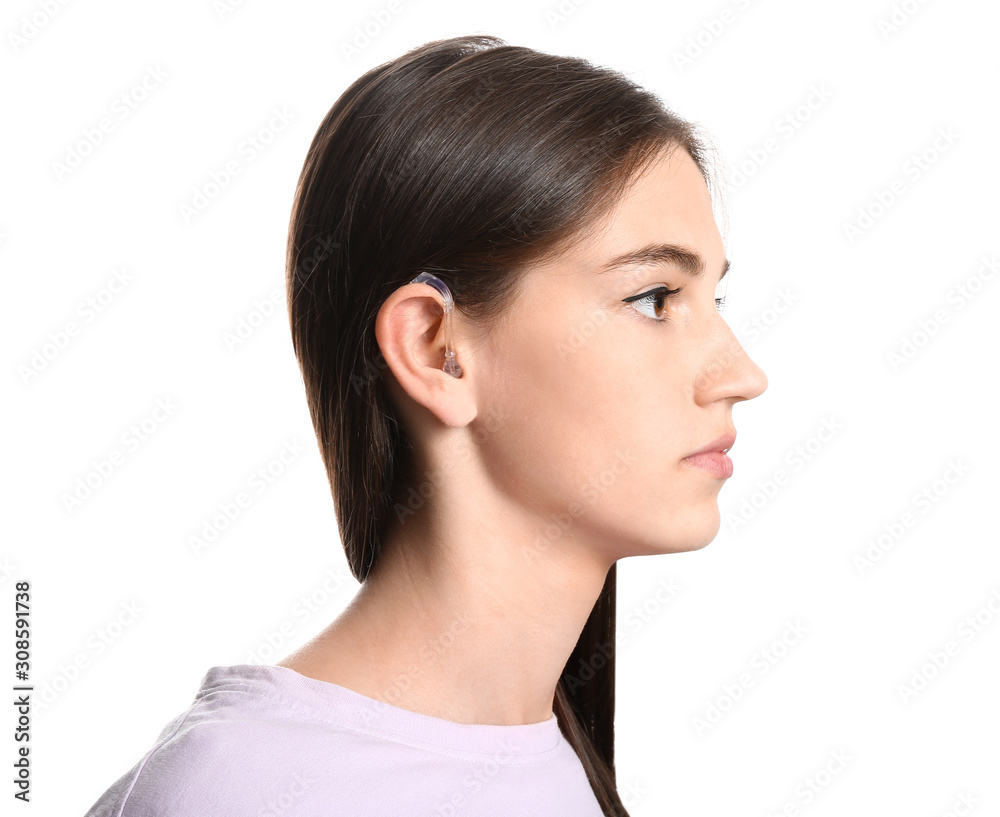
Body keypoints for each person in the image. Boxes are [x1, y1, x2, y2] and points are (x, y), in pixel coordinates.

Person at [83, 33, 767, 817]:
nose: (743, 375)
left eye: (713, 299)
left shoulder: (547, 758)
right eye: (653, 298)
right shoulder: (246, 790)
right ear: (436, 350)